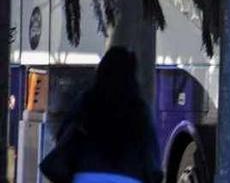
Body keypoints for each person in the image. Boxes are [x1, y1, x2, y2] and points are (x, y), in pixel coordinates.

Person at [40, 47, 163, 183]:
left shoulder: (87, 102)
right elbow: (151, 159)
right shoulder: (139, 110)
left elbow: (63, 137)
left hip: (86, 175)